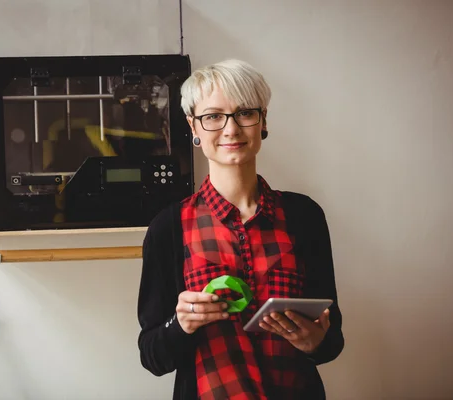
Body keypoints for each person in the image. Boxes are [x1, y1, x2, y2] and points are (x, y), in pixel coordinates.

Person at [137, 59, 344, 400]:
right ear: (194, 127)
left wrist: (315, 341)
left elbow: (332, 338)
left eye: (244, 113)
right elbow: (152, 356)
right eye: (213, 116)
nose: (230, 129)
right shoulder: (168, 228)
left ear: (263, 121)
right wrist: (182, 324)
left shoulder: (303, 216)